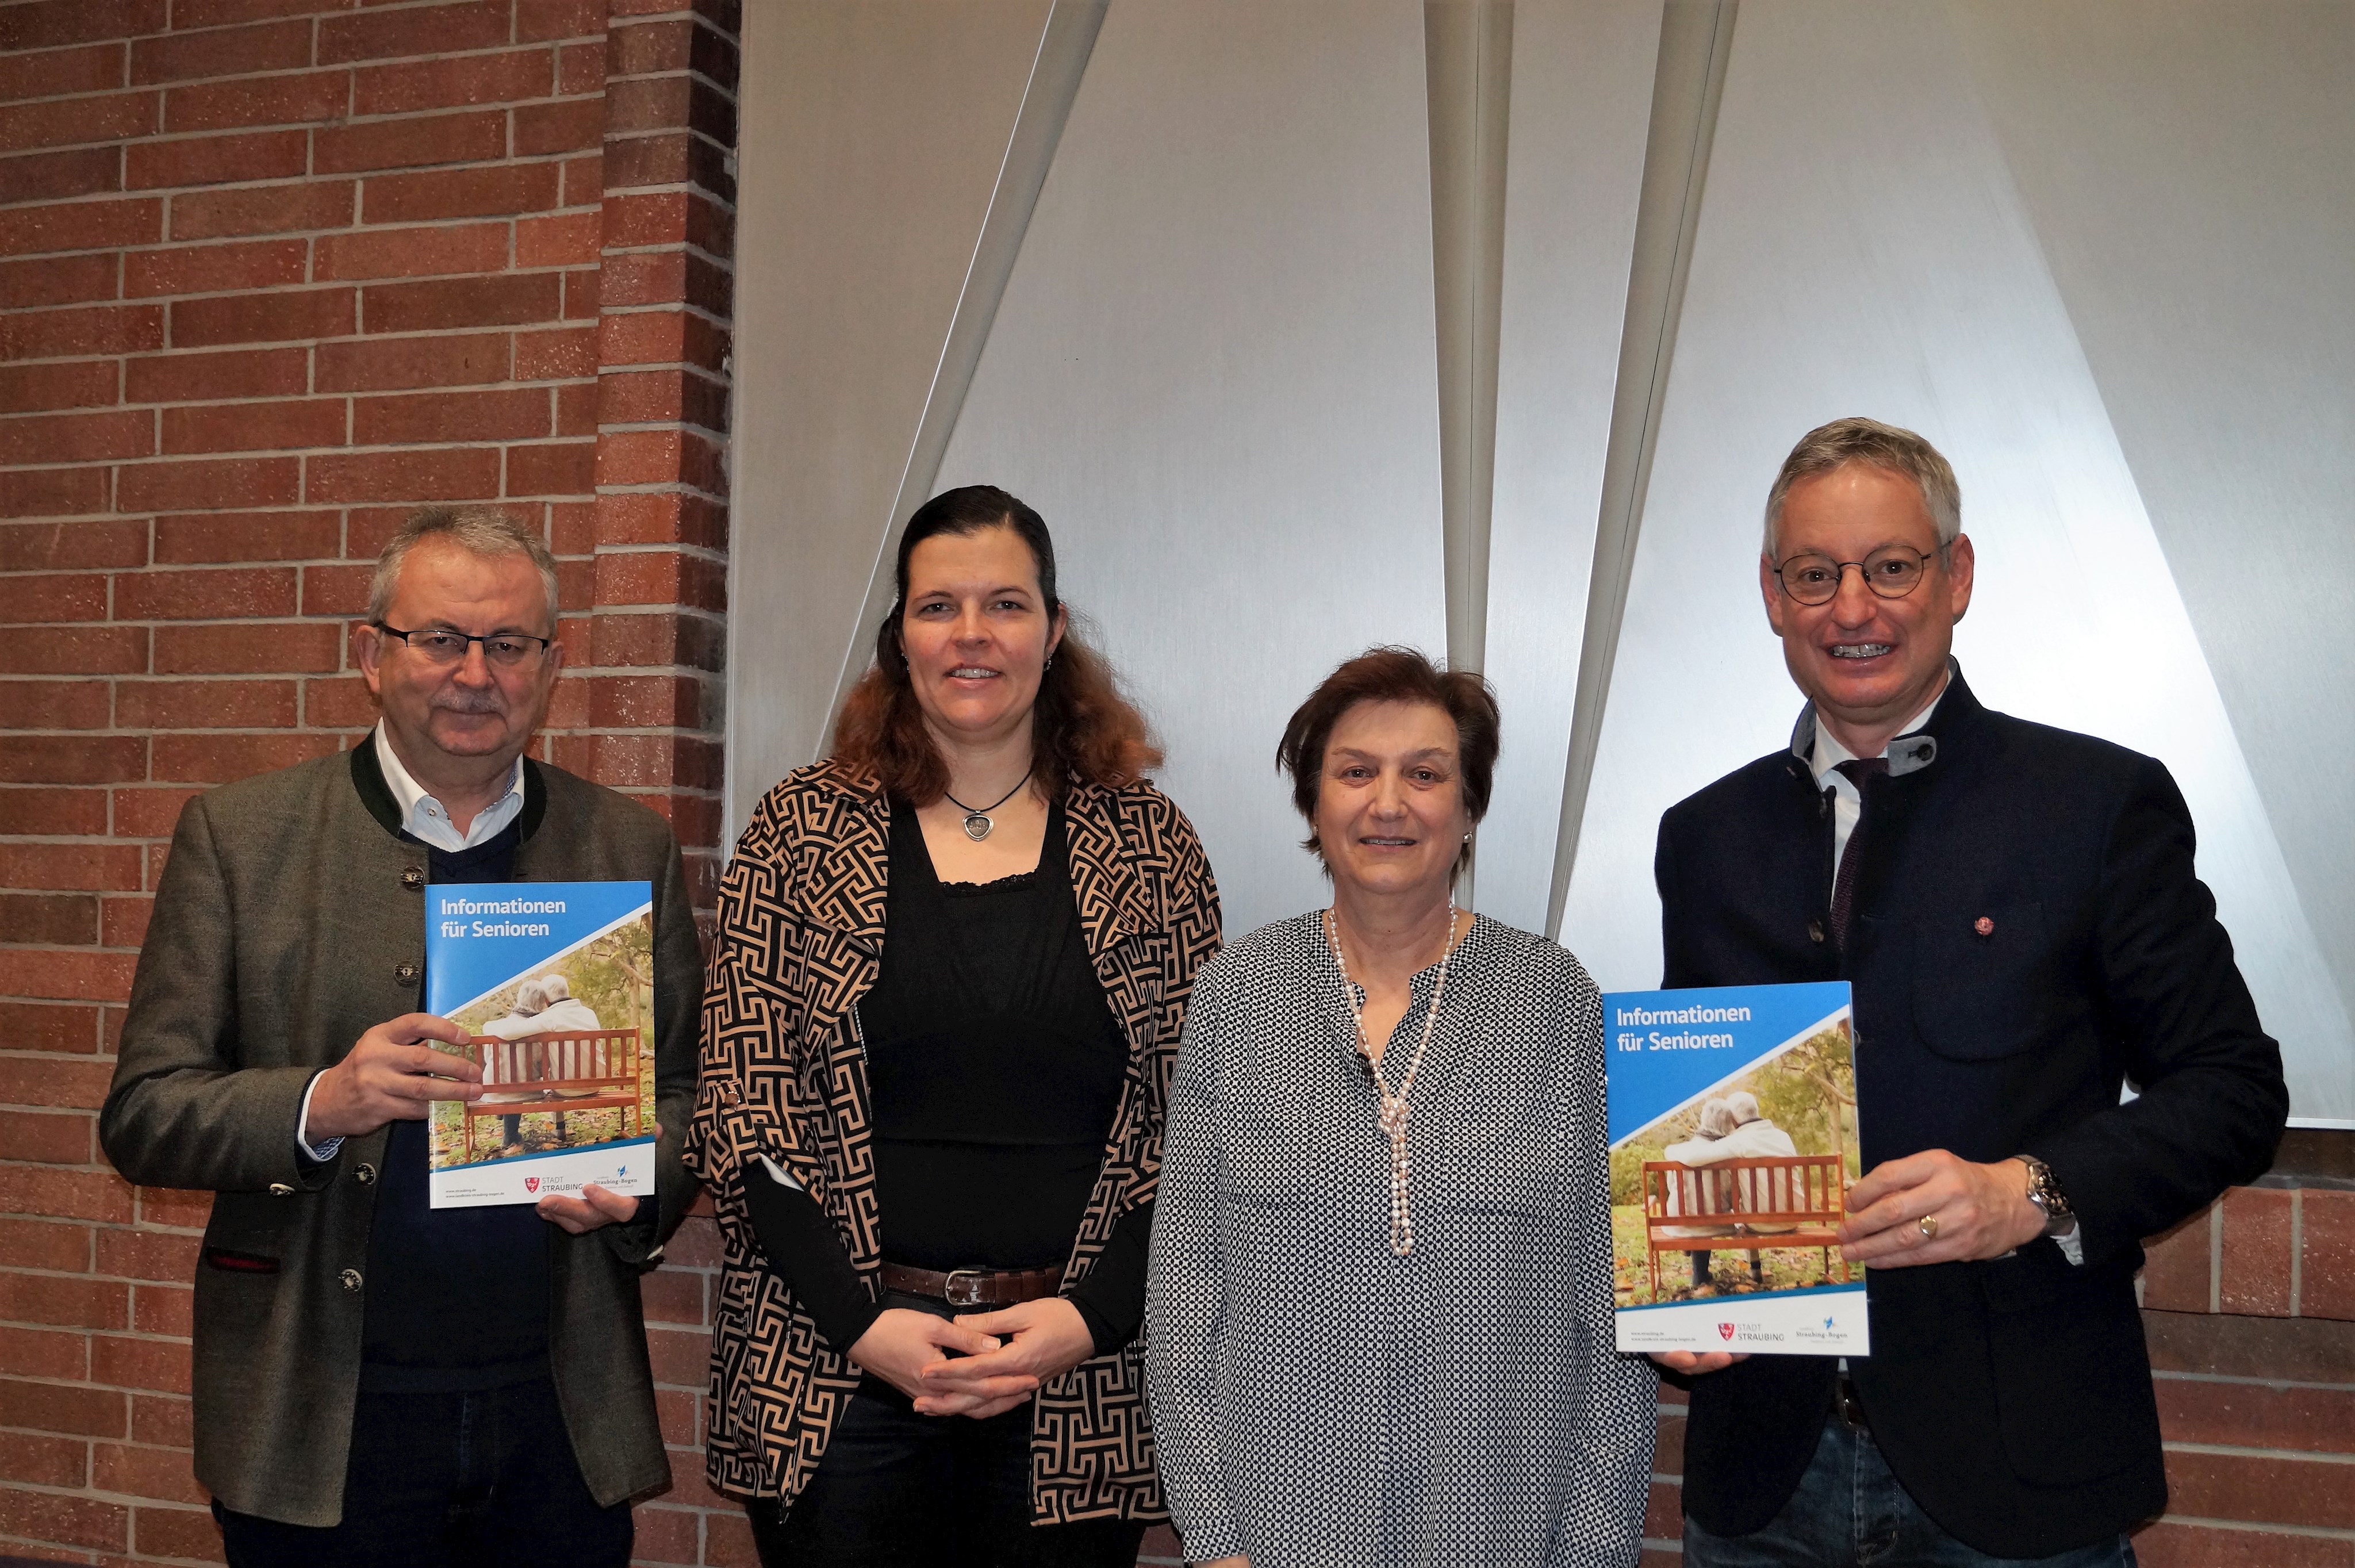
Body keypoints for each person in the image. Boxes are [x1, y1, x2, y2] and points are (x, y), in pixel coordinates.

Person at [1651, 418, 2288, 1564]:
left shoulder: (2091, 804)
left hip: (2016, 1486)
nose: (1852, 608)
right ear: (1771, 593)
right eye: (1814, 574)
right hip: (1761, 1483)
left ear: (1955, 577)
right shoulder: (1703, 837)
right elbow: (1702, 1103)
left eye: (1888, 567)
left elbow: (2233, 1088)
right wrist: (1682, 1298)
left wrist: (2030, 1190)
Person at [100, 506, 703, 1566]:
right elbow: (146, 1114)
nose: (475, 672)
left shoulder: (627, 843)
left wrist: (636, 1182)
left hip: (557, 1413)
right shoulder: (241, 838)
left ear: (549, 667)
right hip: (321, 1414)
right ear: (372, 656)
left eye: (508, 644)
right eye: (440, 639)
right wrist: (317, 1104)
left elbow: (691, 1094)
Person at [689, 485, 1222, 1565]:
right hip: (838, 1378)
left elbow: (1203, 1121)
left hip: (1075, 1376)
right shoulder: (802, 827)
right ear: (900, 636)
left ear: (1054, 630)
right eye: (938, 607)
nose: (971, 636)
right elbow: (744, 1112)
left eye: (1006, 605)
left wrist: (1086, 1318)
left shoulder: (1151, 844)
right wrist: (865, 1326)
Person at [1147, 647, 1654, 1568]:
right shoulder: (1238, 994)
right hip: (1279, 1531)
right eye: (1355, 772)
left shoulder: (1554, 999)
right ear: (1314, 803)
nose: (1389, 803)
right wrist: (1215, 1541)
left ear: (1468, 810)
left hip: (1503, 1527)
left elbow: (1607, 1313)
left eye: (1425, 774)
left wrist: (1594, 1546)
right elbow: (1185, 1297)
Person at [481, 974, 609, 1154]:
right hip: (596, 1085)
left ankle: (557, 1127)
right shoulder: (590, 1013)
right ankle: (560, 1128)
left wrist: (487, 1027)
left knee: (554, 1084)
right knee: (554, 1078)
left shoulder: (549, 1018)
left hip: (566, 1089)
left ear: (547, 999)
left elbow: (510, 1032)